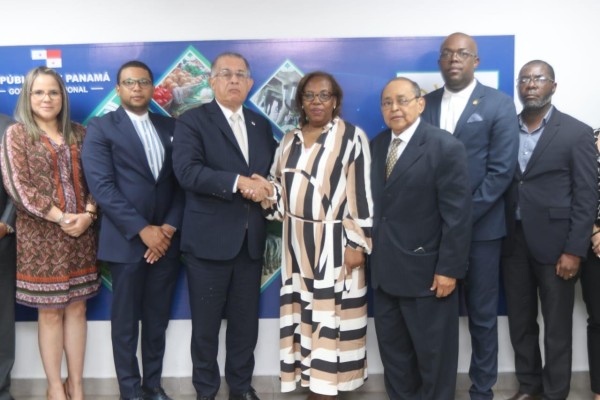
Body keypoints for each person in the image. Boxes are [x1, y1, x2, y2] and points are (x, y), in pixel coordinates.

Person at [252, 71, 373, 399]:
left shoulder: (351, 137)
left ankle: (328, 387)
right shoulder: (288, 140)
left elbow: (361, 194)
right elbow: (279, 189)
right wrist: (265, 191)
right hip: (296, 243)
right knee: (303, 313)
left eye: (324, 95)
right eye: (309, 95)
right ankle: (310, 380)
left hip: (336, 242)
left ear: (335, 101)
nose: (316, 102)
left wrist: (357, 243)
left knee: (333, 314)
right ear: (301, 102)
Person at [172, 52, 277, 400]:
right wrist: (238, 182)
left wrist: (268, 187)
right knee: (205, 329)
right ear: (212, 81)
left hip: (250, 243)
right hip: (208, 243)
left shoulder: (260, 125)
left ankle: (241, 388)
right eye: (226, 74)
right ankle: (206, 391)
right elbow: (187, 172)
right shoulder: (192, 121)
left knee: (245, 326)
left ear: (250, 83)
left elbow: (272, 173)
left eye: (241, 75)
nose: (234, 80)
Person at [421, 32, 519, 400]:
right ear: (440, 61)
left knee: (482, 316)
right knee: (435, 318)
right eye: (447, 53)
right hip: (431, 232)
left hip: (482, 231)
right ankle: (437, 389)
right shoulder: (425, 104)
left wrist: (459, 220)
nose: (454, 59)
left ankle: (482, 391)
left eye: (462, 53)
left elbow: (500, 173)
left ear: (475, 61)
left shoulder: (499, 104)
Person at [81, 60, 183, 400]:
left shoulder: (170, 126)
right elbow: (102, 187)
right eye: (129, 82)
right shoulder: (101, 128)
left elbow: (181, 182)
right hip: (126, 241)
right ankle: (130, 391)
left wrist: (166, 229)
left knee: (157, 320)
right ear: (118, 89)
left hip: (166, 242)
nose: (136, 88)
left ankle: (152, 386)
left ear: (153, 87)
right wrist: (142, 230)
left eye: (143, 82)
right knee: (125, 323)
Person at [0, 67, 100, 400]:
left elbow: (98, 179)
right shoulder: (16, 135)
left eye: (53, 92)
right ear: (27, 97)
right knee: (51, 312)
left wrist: (88, 214)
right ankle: (55, 388)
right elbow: (18, 188)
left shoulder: (81, 133)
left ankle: (76, 385)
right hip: (41, 241)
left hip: (81, 236)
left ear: (63, 97)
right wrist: (61, 217)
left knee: (78, 309)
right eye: (39, 92)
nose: (47, 98)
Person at [370, 77, 472, 400]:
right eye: (387, 102)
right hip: (384, 275)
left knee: (434, 360)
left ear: (420, 103)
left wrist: (449, 269)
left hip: (428, 276)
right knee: (395, 359)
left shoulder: (445, 147)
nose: (394, 108)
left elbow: (458, 216)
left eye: (402, 100)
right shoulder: (376, 146)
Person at [501, 60, 597, 400]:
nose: (531, 84)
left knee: (557, 326)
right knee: (520, 323)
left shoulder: (576, 132)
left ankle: (556, 393)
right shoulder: (504, 130)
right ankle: (530, 387)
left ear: (553, 86)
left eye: (539, 78)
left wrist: (574, 249)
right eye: (524, 79)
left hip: (558, 246)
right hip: (511, 242)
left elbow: (586, 195)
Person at [583, 127, 600, 400]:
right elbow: (577, 190)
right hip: (593, 241)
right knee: (599, 318)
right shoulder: (587, 139)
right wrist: (595, 232)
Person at [0, 113, 16, 400]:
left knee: (1, 317)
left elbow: (20, 185)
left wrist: (5, 223)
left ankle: (0, 386)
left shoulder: (9, 128)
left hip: (1, 236)